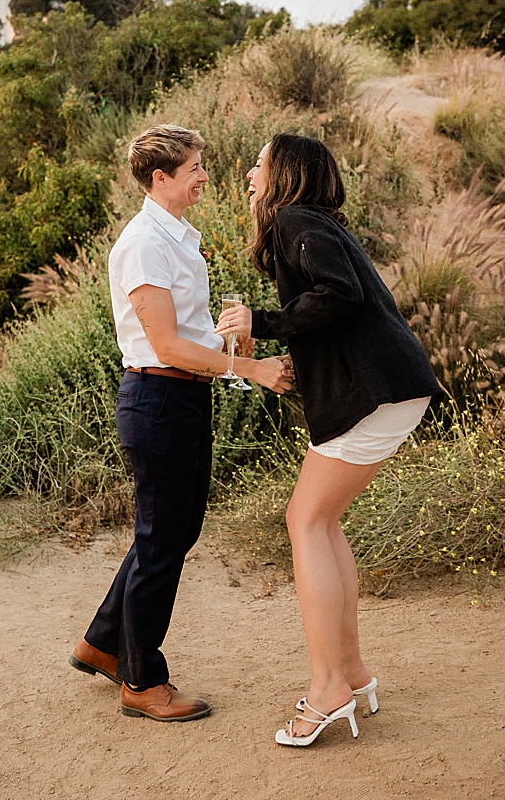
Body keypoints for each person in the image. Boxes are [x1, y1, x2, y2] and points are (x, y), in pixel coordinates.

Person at [218, 133, 441, 748]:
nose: (249, 175)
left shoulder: (293, 219)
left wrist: (260, 322)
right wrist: (288, 353)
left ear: (284, 173)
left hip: (378, 391)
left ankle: (327, 689)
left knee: (305, 520)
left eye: (259, 165)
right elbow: (339, 303)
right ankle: (353, 673)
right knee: (322, 520)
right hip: (391, 387)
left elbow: (338, 293)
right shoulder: (311, 221)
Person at [69, 124, 293, 723]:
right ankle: (141, 682)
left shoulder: (178, 238)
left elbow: (181, 337)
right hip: (158, 399)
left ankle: (104, 642)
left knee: (170, 533)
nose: (204, 175)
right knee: (162, 539)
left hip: (185, 399)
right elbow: (164, 346)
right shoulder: (144, 243)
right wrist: (250, 367)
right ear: (159, 178)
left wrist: (222, 336)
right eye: (193, 167)